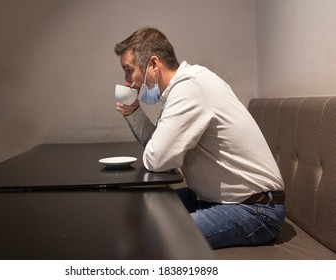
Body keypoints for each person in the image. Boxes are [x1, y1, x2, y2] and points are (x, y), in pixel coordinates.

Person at [114, 27, 285, 249]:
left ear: (154, 65)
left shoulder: (189, 87)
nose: (127, 82)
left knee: (156, 236)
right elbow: (157, 146)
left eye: (129, 70)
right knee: (139, 210)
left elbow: (157, 159)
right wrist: (133, 111)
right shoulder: (179, 90)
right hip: (213, 198)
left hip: (256, 209)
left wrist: (156, 149)